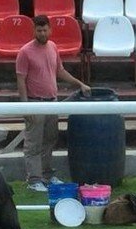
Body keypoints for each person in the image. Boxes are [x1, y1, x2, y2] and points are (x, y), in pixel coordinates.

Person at [14, 14, 90, 193]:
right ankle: (34, 179)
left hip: (52, 101)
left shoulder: (53, 47)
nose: (42, 33)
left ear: (50, 29)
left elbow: (59, 71)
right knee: (33, 143)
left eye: (44, 29)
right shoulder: (25, 52)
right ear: (34, 30)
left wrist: (79, 83)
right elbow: (21, 80)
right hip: (35, 102)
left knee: (49, 140)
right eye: (38, 30)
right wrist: (25, 105)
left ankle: (46, 175)